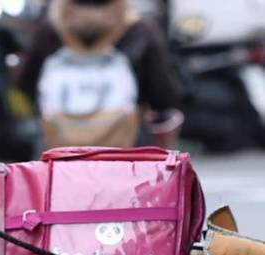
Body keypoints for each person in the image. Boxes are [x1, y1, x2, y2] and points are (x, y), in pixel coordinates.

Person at [17, 0, 183, 148]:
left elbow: (25, 84)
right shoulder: (140, 30)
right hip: (126, 152)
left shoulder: (49, 31)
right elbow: (165, 96)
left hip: (58, 151)